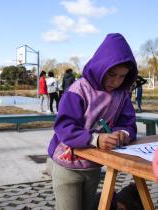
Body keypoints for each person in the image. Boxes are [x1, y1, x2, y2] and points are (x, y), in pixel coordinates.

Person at [47, 33, 138, 210]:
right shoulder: (78, 90)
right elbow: (64, 127)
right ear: (100, 67)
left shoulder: (122, 94)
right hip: (67, 165)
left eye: (122, 76)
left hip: (94, 166)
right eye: (111, 74)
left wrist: (123, 133)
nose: (116, 81)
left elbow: (128, 123)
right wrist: (95, 139)